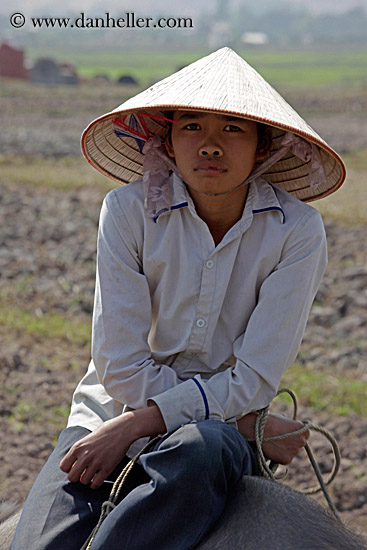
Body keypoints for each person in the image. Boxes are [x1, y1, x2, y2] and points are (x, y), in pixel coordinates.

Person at [11, 47, 345, 550]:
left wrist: (145, 422)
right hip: (111, 412)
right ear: (166, 140)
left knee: (200, 449)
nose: (210, 145)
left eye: (232, 129)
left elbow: (254, 376)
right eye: (191, 126)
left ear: (262, 147)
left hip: (207, 436)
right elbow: (119, 367)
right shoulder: (126, 211)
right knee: (34, 544)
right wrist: (244, 419)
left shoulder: (297, 230)